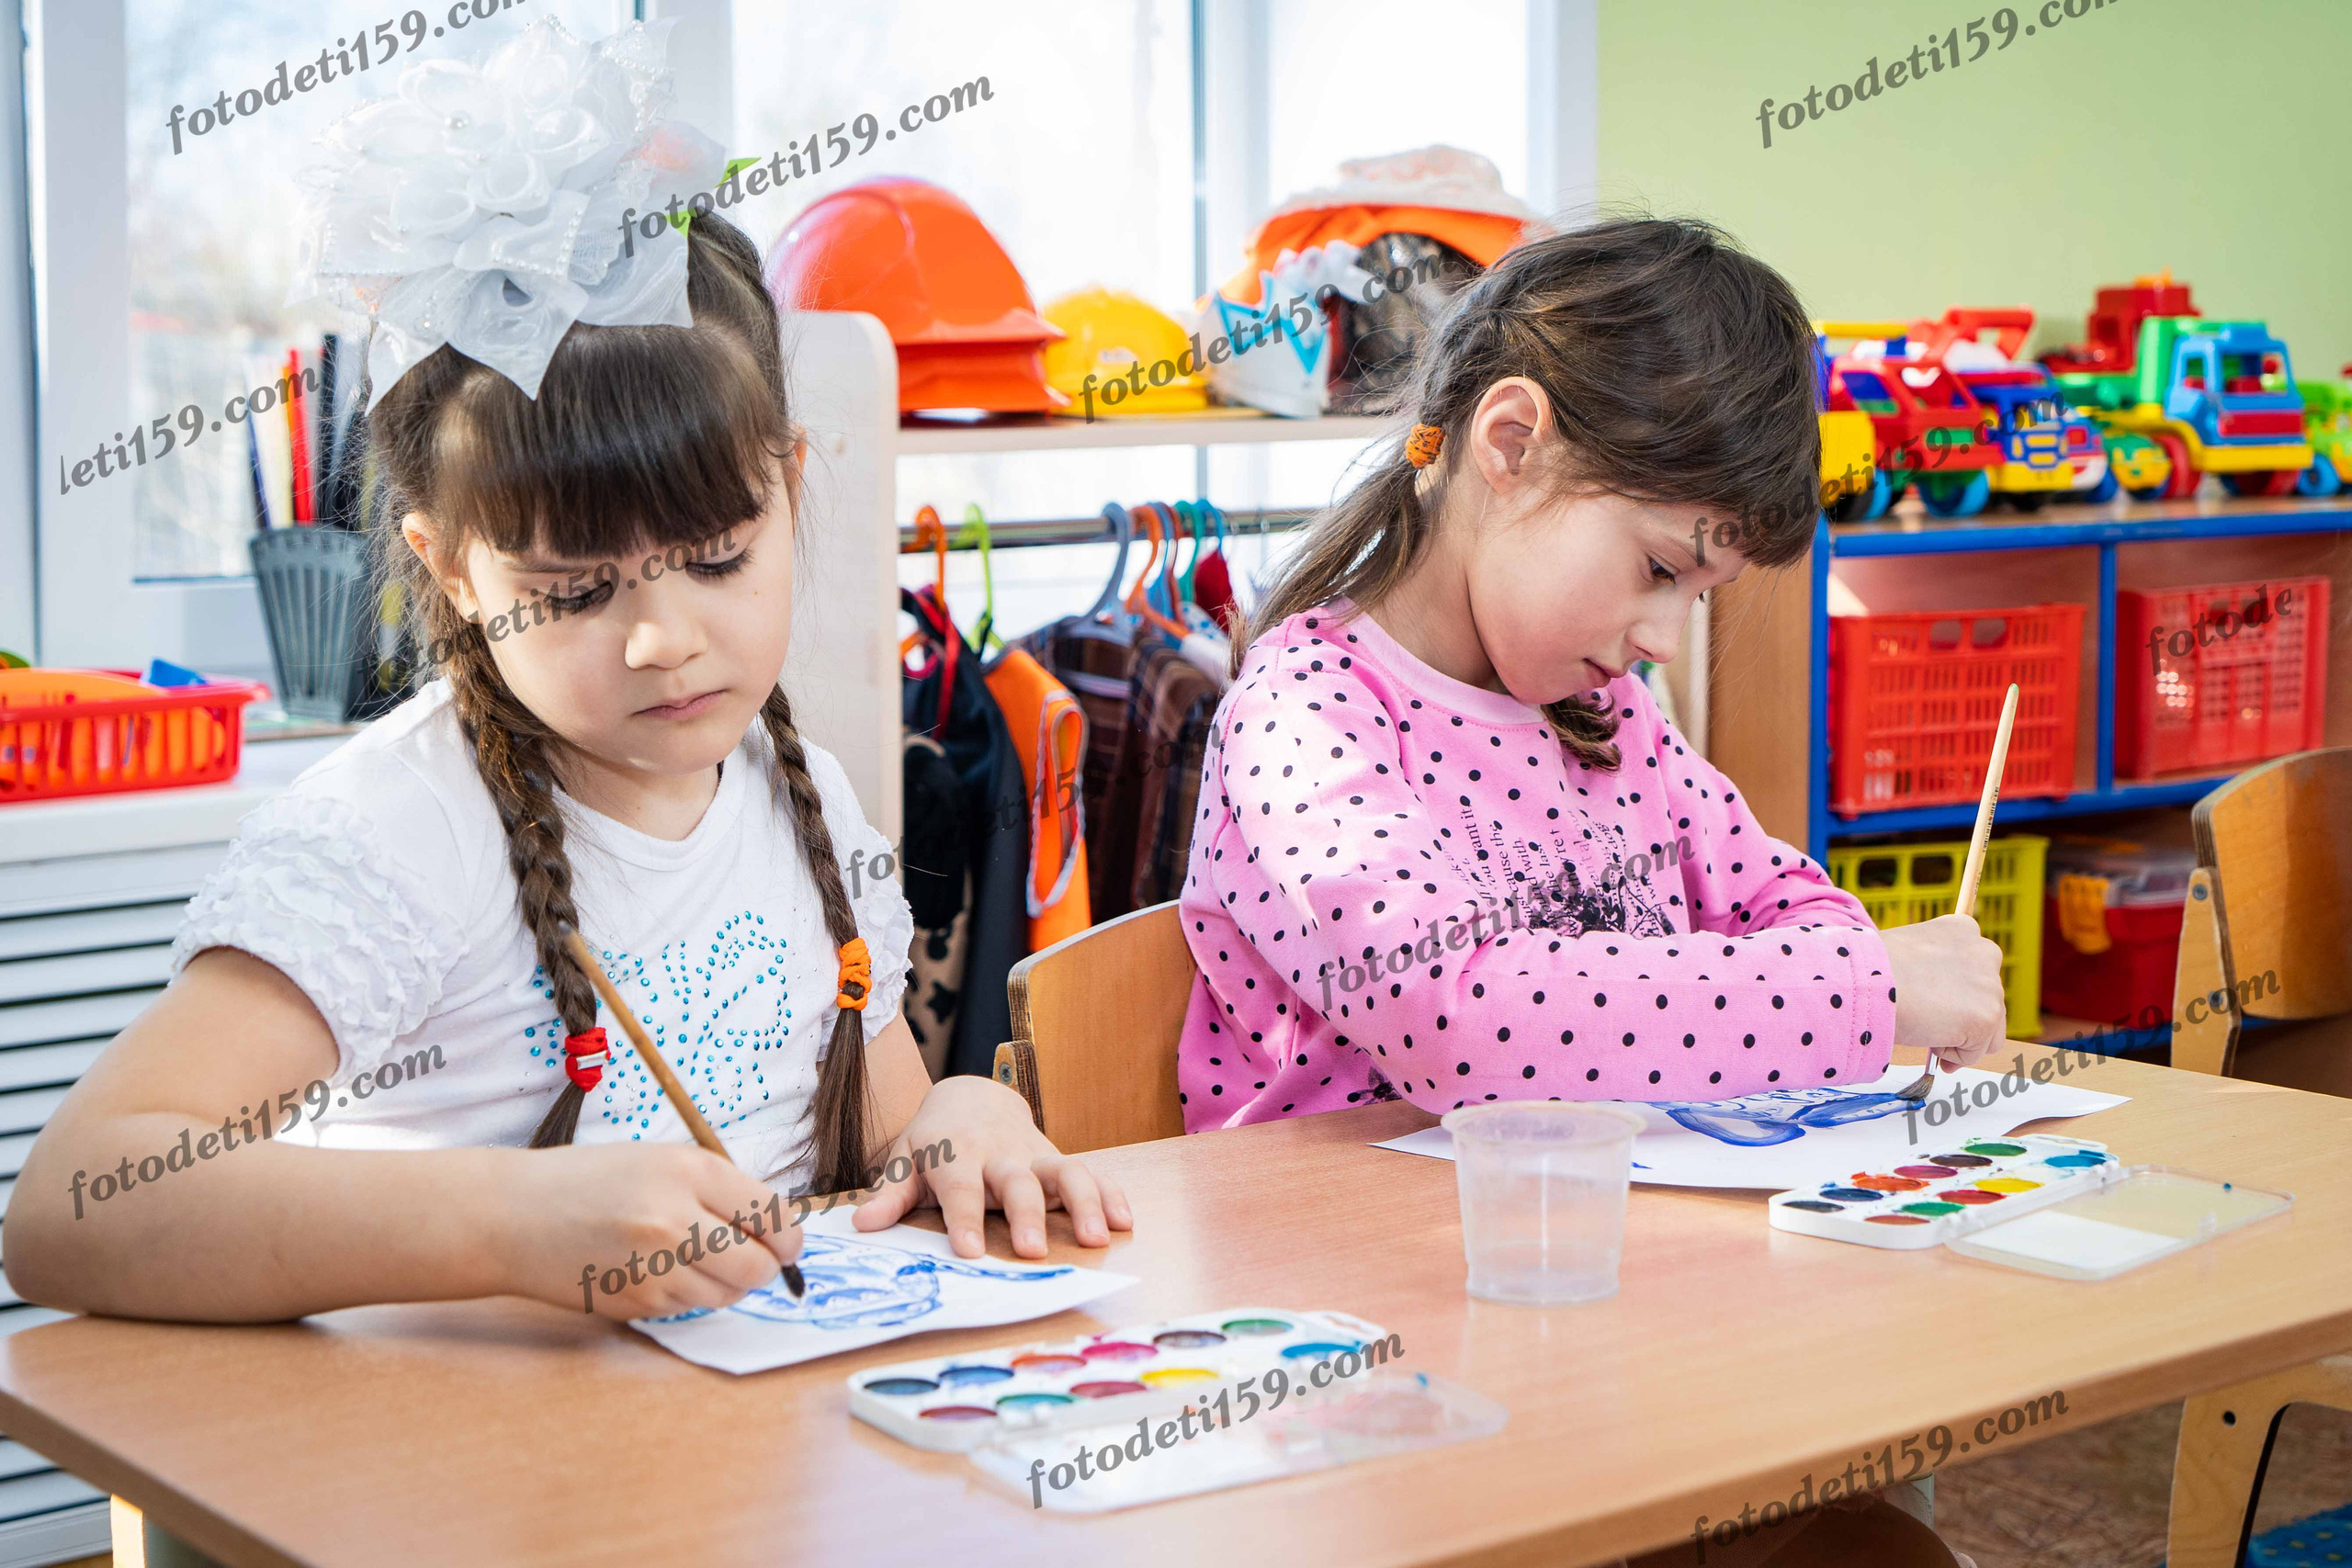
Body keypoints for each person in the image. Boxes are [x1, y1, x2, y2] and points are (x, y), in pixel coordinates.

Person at [6, 19, 1125, 1326]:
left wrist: (962, 1117)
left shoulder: (797, 788)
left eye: (717, 555)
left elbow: (881, 1140)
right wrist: (503, 1217)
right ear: (450, 571)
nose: (660, 635)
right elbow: (74, 1209)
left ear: (794, 485)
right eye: (576, 590)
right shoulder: (394, 835)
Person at [1175, 215, 2000, 1565]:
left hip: (1620, 1329)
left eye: (1703, 592)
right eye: (1662, 570)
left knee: (1888, 1530)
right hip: (1370, 1388)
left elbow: (1792, 907)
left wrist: (1846, 969)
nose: (1662, 636)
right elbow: (1473, 1023)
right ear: (1511, 445)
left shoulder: (1611, 714)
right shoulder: (1307, 719)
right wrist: (1866, 990)